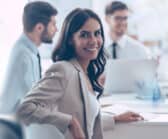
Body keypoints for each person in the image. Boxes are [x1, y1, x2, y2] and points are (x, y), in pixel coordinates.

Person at [17, 8, 143, 139]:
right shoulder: (63, 69)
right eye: (84, 35)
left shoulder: (85, 73)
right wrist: (70, 122)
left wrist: (115, 118)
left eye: (97, 33)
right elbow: (24, 109)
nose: (93, 40)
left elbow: (86, 119)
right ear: (70, 39)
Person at [0, 1, 58, 114]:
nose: (56, 29)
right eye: (53, 24)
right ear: (39, 28)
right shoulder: (24, 55)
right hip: (13, 126)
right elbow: (33, 101)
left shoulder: (28, 51)